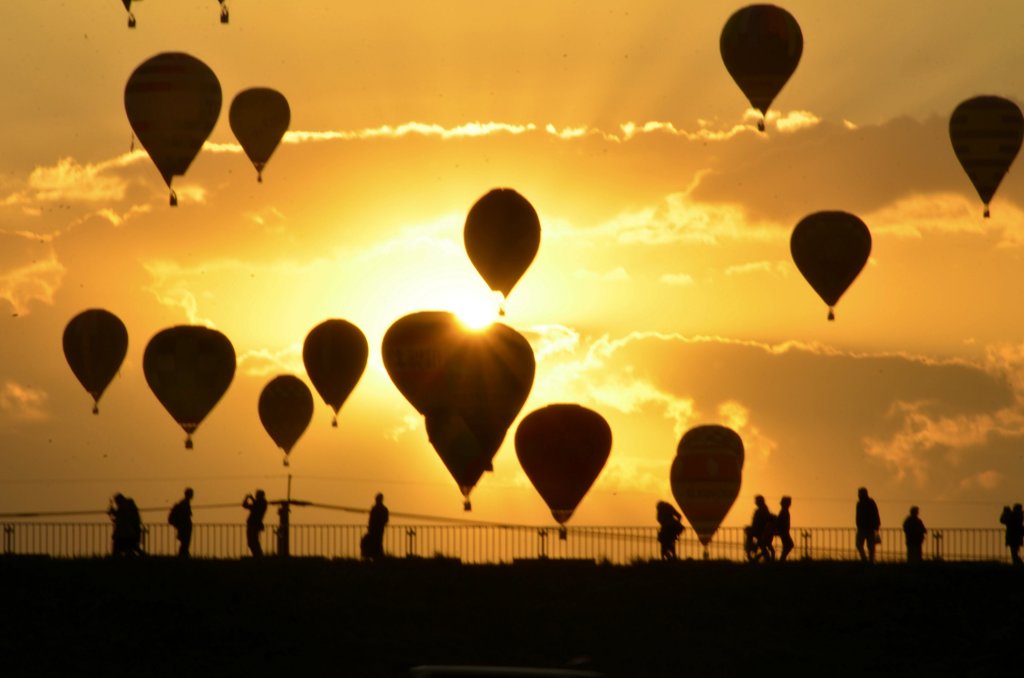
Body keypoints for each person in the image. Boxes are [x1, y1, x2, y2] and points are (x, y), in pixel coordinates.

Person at [745, 495, 775, 561]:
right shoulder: (763, 509)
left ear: (760, 501)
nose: (755, 502)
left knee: (761, 545)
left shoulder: (762, 509)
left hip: (760, 530)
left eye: (756, 501)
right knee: (762, 546)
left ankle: (753, 551)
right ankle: (766, 558)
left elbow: (761, 521)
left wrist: (753, 528)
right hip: (759, 530)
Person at [855, 487, 881, 563]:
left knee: (867, 545)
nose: (858, 495)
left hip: (868, 528)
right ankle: (867, 559)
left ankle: (868, 560)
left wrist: (876, 526)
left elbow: (875, 514)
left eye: (859, 493)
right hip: (865, 528)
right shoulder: (861, 503)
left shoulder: (867, 503)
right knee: (865, 545)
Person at [361, 493, 389, 560]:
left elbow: (372, 519)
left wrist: (374, 525)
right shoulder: (382, 509)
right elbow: (385, 519)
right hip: (377, 529)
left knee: (377, 543)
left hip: (376, 529)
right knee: (377, 543)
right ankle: (377, 556)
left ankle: (377, 557)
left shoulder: (377, 509)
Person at [168, 487, 194, 557]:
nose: (192, 495)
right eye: (191, 494)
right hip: (184, 526)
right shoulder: (184, 503)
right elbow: (186, 515)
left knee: (184, 543)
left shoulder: (184, 502)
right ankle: (183, 556)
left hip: (183, 526)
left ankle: (183, 555)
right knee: (185, 542)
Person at [242, 489, 268, 557]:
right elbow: (245, 505)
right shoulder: (259, 503)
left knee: (253, 542)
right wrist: (249, 498)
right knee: (252, 542)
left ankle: (258, 556)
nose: (256, 496)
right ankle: (258, 556)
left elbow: (254, 505)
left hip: (254, 525)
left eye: (257, 495)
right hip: (253, 524)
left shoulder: (262, 503)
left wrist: (249, 498)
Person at [777, 496, 794, 561]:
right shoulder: (784, 511)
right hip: (783, 531)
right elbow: (780, 521)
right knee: (789, 545)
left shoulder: (784, 511)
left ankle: (782, 559)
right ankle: (782, 559)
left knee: (787, 545)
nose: (790, 504)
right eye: (789, 502)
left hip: (784, 530)